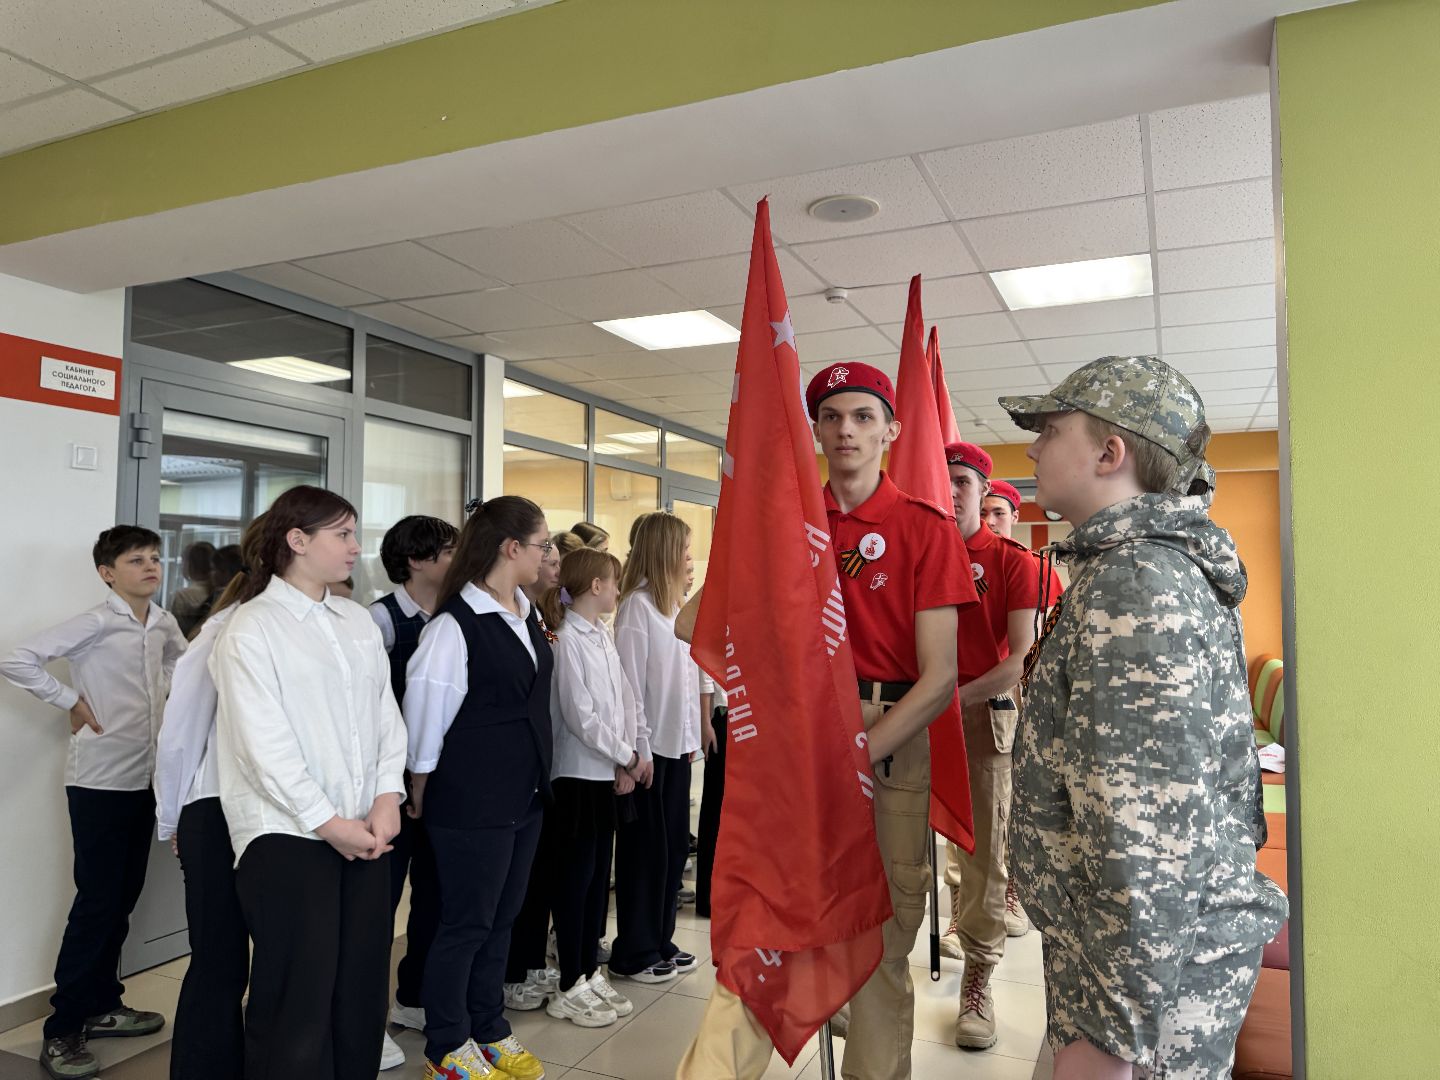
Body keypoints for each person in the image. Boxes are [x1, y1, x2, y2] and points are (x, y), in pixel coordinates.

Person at [677, 360, 976, 1080]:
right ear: (813, 429)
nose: (847, 429)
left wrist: (854, 753)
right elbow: (697, 622)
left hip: (885, 739)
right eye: (832, 416)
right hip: (791, 743)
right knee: (766, 926)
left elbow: (939, 679)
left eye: (863, 416)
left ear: (891, 432)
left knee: (875, 947)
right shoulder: (784, 521)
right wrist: (750, 552)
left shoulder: (924, 529)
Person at [998, 355, 1287, 1080]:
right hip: (1146, 972)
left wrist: (1106, 1035)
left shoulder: (1135, 582)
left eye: (1050, 430)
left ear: (1109, 452)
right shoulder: (1134, 565)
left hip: (1149, 998)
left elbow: (1148, 840)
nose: (1032, 449)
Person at [210, 486, 407, 1080]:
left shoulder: (354, 621)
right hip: (288, 835)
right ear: (298, 541)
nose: (355, 547)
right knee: (298, 992)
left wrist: (386, 796)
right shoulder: (251, 628)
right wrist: (328, 822)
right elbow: (262, 747)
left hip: (367, 828)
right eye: (342, 535)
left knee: (362, 985)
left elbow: (384, 717)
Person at [1, 525, 185, 1080]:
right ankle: (62, 1030)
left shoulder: (163, 621)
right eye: (136, 560)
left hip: (145, 780)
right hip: (99, 783)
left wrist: (175, 708)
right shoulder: (96, 621)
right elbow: (18, 658)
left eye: (155, 558)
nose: (150, 567)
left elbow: (183, 664)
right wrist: (69, 701)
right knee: (97, 904)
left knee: (123, 897)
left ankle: (104, 1004)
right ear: (108, 573)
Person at [403, 496, 554, 1080]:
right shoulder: (452, 625)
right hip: (469, 796)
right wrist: (419, 781)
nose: (548, 557)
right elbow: (426, 711)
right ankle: (447, 1043)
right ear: (511, 549)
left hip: (524, 795)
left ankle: (488, 1026)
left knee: (502, 918)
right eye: (542, 545)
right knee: (464, 923)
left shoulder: (524, 611)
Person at [933, 442, 1040, 1050]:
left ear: (982, 490)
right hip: (913, 714)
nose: (949, 492)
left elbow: (1017, 660)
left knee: (982, 850)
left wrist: (952, 701)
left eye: (961, 483)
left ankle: (979, 974)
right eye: (940, 481)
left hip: (978, 717)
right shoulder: (920, 552)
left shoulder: (1011, 562)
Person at [154, 519, 262, 1080]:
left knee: (276, 960)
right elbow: (180, 737)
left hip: (280, 819)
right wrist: (171, 817)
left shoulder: (321, 629)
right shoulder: (223, 631)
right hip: (215, 812)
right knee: (220, 961)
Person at [540, 547, 644, 1026]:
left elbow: (624, 700)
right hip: (578, 776)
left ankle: (586, 970)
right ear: (596, 587)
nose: (618, 591)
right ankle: (568, 984)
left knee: (598, 879)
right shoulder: (566, 639)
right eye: (613, 582)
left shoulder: (601, 635)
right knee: (575, 881)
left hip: (606, 774)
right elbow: (582, 717)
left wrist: (628, 757)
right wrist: (625, 755)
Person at [368, 514, 459, 1053]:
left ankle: (415, 997)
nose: (457, 559)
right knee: (378, 909)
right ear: (418, 560)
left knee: (434, 897)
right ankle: (367, 1019)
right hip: (389, 787)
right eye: (448, 551)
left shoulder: (454, 616)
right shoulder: (378, 621)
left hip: (441, 783)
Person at [608, 512, 701, 985]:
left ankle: (661, 938)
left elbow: (684, 681)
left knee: (669, 853)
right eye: (684, 549)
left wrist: (690, 740)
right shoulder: (638, 609)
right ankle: (634, 949)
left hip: (675, 748)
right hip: (647, 752)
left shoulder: (672, 609)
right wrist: (637, 751)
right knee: (643, 855)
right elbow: (630, 689)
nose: (689, 558)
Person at [502, 534, 564, 1010]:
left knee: (533, 880)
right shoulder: (494, 617)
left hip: (540, 769)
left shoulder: (541, 618)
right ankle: (513, 972)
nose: (551, 563)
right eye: (545, 552)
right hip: (520, 772)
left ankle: (529, 964)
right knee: (500, 900)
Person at [169, 541, 214, 637]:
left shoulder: (183, 596)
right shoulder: (223, 592)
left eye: (183, 561)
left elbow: (176, 634)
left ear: (190, 565)